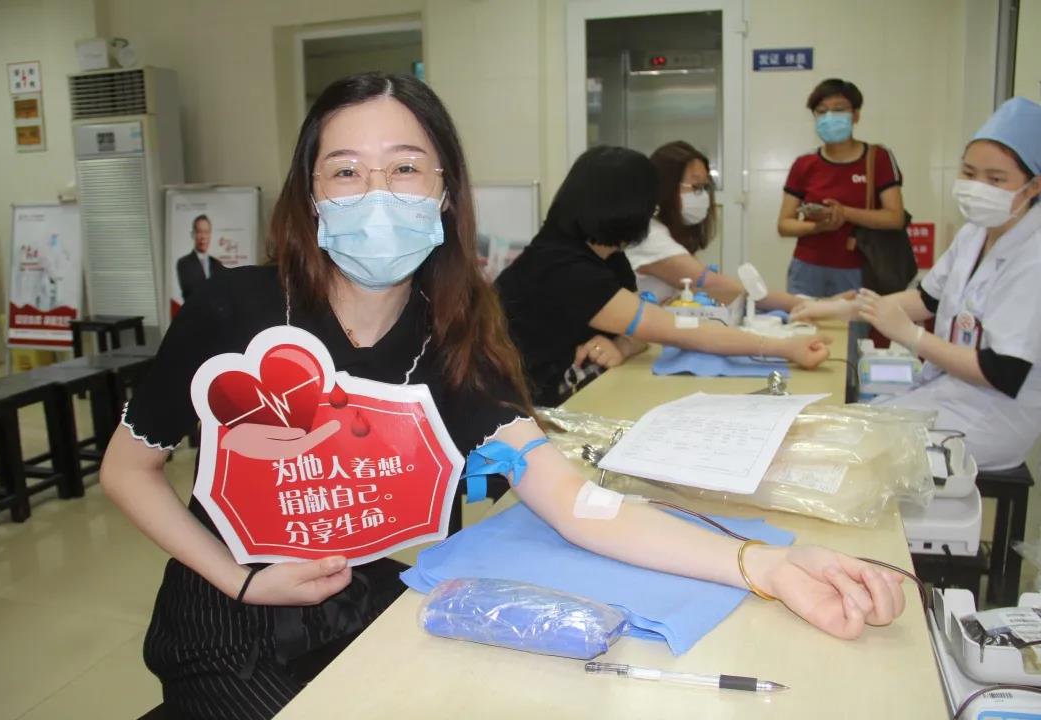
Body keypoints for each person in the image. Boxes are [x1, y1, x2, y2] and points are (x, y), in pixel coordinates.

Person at [101, 73, 904, 720]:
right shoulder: (233, 311)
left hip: (365, 600)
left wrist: (766, 565)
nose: (376, 192)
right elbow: (127, 471)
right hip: (228, 618)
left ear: (445, 191)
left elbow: (578, 504)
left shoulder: (455, 338)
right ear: (311, 196)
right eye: (345, 170)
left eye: (404, 167)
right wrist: (241, 579)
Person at [793, 97, 1041, 471]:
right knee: (840, 426)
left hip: (993, 417)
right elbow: (926, 299)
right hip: (950, 391)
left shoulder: (1033, 256)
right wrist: (838, 308)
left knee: (849, 453)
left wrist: (913, 337)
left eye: (995, 179)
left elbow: (1002, 371)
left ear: (1034, 186)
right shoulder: (975, 234)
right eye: (969, 172)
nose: (977, 186)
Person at [495, 145, 833, 407]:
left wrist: (621, 345)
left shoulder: (609, 258)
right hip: (519, 407)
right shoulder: (563, 266)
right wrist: (783, 348)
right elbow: (675, 329)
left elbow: (641, 332)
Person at [626, 140, 805, 311]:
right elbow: (720, 287)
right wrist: (802, 304)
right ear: (666, 186)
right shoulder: (650, 236)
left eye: (705, 187)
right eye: (696, 187)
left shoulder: (664, 231)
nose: (703, 196)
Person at [777, 78, 906, 297]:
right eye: (821, 111)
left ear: (855, 115)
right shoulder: (804, 164)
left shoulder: (878, 158)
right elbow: (784, 225)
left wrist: (844, 213)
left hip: (858, 268)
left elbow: (895, 218)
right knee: (802, 319)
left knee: (853, 320)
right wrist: (817, 227)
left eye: (839, 110)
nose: (829, 117)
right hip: (807, 268)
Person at [177, 214, 226, 300]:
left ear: (210, 235)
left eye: (206, 232)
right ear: (193, 234)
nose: (203, 237)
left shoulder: (217, 264)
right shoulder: (184, 263)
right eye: (199, 232)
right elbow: (189, 292)